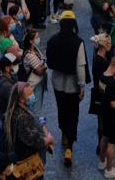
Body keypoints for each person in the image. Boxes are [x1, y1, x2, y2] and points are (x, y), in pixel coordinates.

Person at [46, 9, 87, 166]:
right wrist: (82, 86)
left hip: (57, 83)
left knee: (61, 110)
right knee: (73, 114)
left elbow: (49, 62)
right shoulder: (78, 42)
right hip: (72, 86)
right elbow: (80, 66)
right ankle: (69, 146)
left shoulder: (52, 40)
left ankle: (63, 132)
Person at [93, 53, 115, 179]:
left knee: (104, 137)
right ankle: (109, 169)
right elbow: (113, 104)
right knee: (112, 143)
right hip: (113, 116)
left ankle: (102, 161)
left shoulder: (102, 77)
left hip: (104, 113)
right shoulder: (113, 84)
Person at [3, 82, 55, 166]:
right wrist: (48, 139)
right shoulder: (22, 117)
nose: (33, 96)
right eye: (30, 94)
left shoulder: (19, 110)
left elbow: (38, 121)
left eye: (32, 93)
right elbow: (33, 140)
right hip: (29, 160)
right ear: (21, 99)